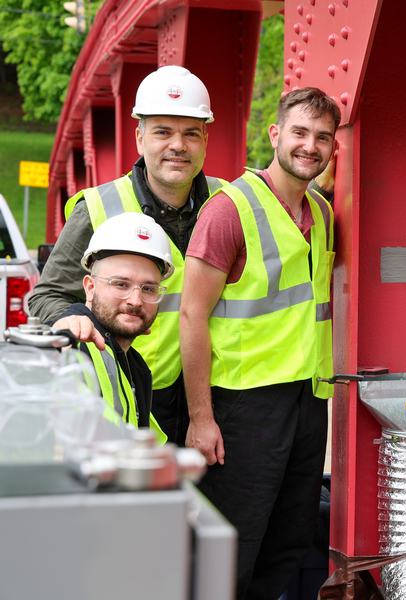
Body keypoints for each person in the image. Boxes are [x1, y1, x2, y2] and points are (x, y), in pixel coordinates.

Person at [179, 87, 338, 600]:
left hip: (307, 399)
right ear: (275, 135)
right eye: (299, 133)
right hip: (243, 404)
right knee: (235, 541)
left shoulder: (323, 212)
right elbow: (191, 314)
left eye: (322, 138)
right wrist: (201, 418)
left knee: (291, 538)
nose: (309, 146)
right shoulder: (230, 210)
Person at [29, 65, 223, 447]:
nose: (178, 146)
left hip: (217, 398)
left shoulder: (228, 203)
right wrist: (73, 316)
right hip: (139, 392)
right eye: (162, 132)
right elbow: (44, 296)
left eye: (190, 134)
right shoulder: (98, 207)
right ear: (139, 137)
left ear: (205, 139)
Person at [52, 213, 174, 441]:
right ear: (90, 288)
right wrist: (63, 329)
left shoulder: (134, 366)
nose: (136, 301)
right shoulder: (76, 348)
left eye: (148, 288)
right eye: (120, 284)